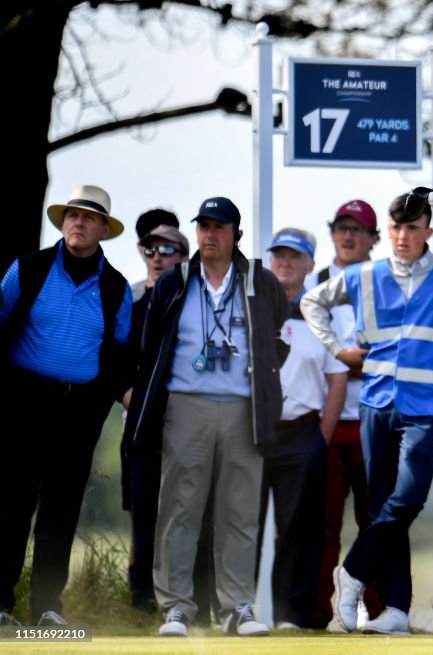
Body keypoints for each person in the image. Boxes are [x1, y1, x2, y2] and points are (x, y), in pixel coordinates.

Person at [301, 193, 433, 635]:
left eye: (412, 228)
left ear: (428, 231)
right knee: (384, 506)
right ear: (387, 230)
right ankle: (397, 609)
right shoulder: (365, 275)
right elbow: (313, 303)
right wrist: (338, 349)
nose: (402, 236)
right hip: (377, 402)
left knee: (406, 499)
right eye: (396, 228)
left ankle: (350, 572)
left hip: (429, 403)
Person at [123, 196, 289, 637]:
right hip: (185, 405)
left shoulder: (260, 281)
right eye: (204, 226)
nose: (209, 234)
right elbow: (150, 344)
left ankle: (237, 607)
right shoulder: (175, 279)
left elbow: (279, 340)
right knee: (180, 508)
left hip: (243, 408)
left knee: (239, 511)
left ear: (236, 233)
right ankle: (176, 607)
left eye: (219, 227)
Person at [0, 184, 132, 627]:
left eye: (89, 217)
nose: (78, 222)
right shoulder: (29, 268)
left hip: (78, 413)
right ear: (63, 222)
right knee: (12, 505)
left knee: (61, 510)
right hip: (22, 402)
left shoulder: (115, 287)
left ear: (102, 230)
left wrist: (109, 401)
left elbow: (117, 356)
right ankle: (1, 606)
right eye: (72, 215)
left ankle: (47, 608)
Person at [261, 228, 347, 629]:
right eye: (279, 255)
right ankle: (236, 609)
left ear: (311, 265)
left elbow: (337, 379)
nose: (286, 262)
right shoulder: (252, 308)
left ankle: (288, 616)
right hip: (254, 432)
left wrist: (321, 437)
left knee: (296, 531)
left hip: (302, 432)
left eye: (295, 257)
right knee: (241, 524)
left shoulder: (321, 313)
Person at [311, 198, 384, 628]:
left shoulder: (386, 282)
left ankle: (377, 612)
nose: (348, 236)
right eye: (341, 227)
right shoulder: (313, 282)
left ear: (373, 239)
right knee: (323, 525)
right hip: (325, 418)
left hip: (375, 416)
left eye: (358, 229)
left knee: (375, 521)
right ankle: (319, 616)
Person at [121, 211, 190, 614]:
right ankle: (140, 599)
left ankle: (181, 597)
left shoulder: (197, 298)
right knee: (142, 513)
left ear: (183, 255)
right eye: (151, 249)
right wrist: (126, 393)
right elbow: (112, 356)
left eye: (169, 249)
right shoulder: (128, 297)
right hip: (140, 420)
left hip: (186, 419)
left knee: (183, 513)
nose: (158, 255)